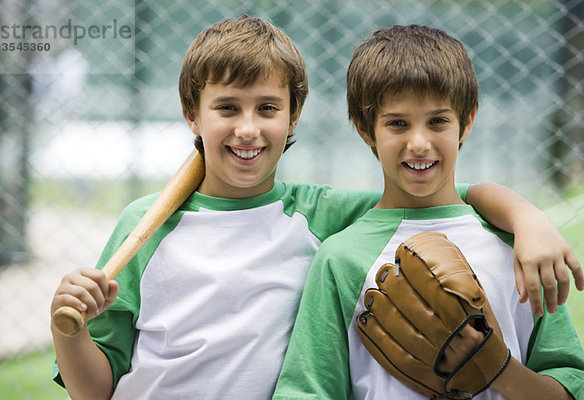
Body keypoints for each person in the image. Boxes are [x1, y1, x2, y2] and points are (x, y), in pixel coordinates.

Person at [50, 17, 582, 400]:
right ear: (192, 113)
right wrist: (66, 331)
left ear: (294, 116)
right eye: (226, 108)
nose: (248, 128)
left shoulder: (320, 217)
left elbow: (440, 204)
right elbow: (92, 392)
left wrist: (528, 219)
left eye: (267, 108)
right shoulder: (145, 228)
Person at [272, 24, 584, 400]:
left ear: (466, 122)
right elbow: (309, 390)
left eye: (438, 121)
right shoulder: (340, 260)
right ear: (365, 129)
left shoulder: (517, 249)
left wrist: (500, 370)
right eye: (397, 123)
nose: (419, 143)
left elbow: (570, 388)